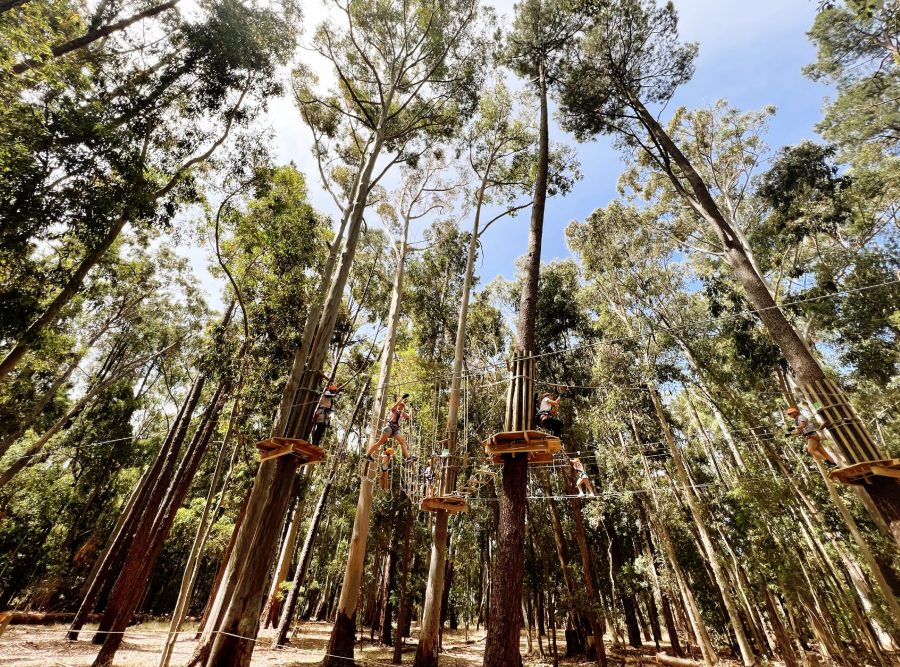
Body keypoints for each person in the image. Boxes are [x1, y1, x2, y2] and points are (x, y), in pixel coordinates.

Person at [368, 394, 413, 458]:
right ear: (398, 405)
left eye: (403, 406)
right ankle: (368, 454)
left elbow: (409, 416)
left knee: (402, 442)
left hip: (396, 429)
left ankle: (408, 457)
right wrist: (402, 398)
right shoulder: (394, 409)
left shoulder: (402, 413)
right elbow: (396, 404)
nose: (401, 407)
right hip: (389, 427)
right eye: (400, 405)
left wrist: (411, 408)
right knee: (380, 442)